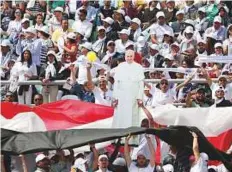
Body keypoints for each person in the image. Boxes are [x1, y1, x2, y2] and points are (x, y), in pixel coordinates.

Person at [112, 50, 144, 128]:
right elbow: (116, 83)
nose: (129, 58)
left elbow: (141, 83)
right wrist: (115, 97)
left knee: (133, 115)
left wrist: (140, 98)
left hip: (134, 94)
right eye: (127, 56)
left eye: (131, 56)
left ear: (133, 57)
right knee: (121, 115)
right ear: (125, 57)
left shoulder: (138, 67)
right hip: (122, 95)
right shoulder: (120, 66)